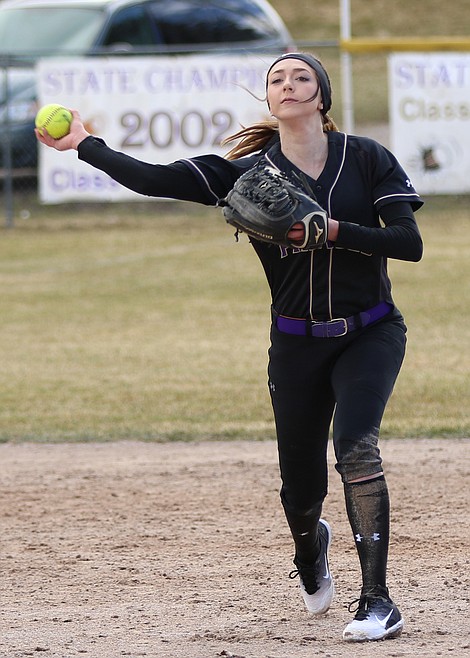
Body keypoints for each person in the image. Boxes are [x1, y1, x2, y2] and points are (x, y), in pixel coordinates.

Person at [36, 52, 423, 642]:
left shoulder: (366, 158)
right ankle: (309, 546)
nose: (287, 84)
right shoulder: (247, 172)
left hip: (371, 330)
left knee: (356, 446)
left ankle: (377, 600)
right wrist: (86, 143)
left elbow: (408, 242)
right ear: (268, 101)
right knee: (300, 489)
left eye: (301, 77)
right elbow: (155, 178)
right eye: (277, 78)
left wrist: (335, 230)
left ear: (321, 96)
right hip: (295, 344)